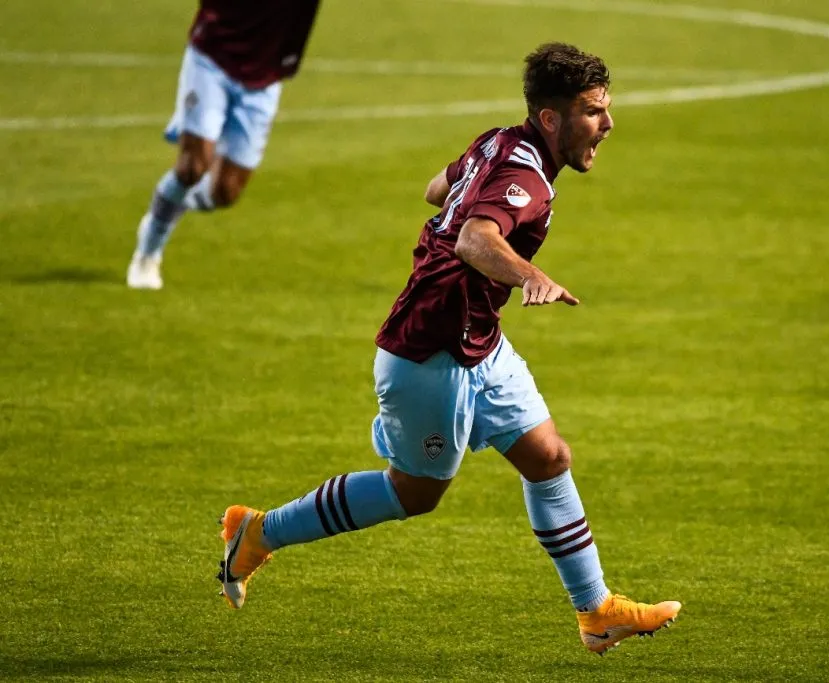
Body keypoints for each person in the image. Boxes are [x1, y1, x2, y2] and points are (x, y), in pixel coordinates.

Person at [216, 42, 681, 655]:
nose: (608, 123)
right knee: (416, 493)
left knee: (549, 458)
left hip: (478, 342)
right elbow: (472, 238)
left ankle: (597, 612)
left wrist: (476, 207)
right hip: (428, 355)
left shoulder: (498, 141)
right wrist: (529, 275)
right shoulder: (524, 178)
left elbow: (438, 189)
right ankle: (258, 532)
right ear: (550, 119)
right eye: (593, 111)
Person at [127, 0, 323, 290]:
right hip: (213, 56)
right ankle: (149, 249)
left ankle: (170, 205)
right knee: (192, 167)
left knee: (225, 191)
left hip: (265, 74)